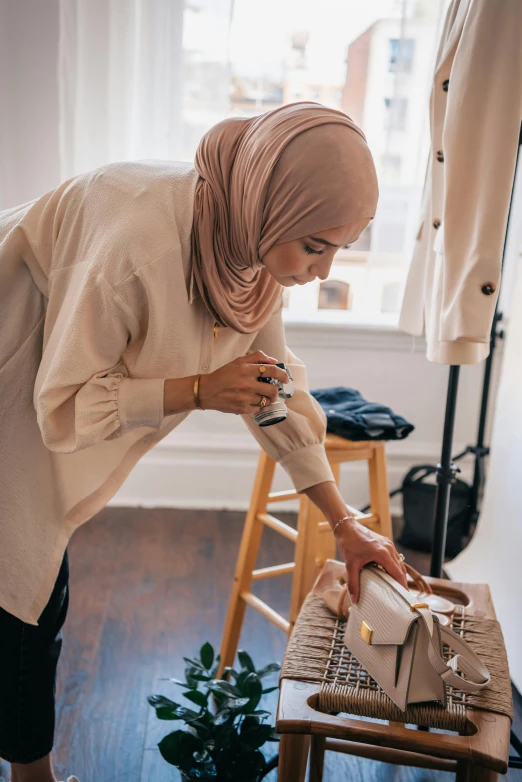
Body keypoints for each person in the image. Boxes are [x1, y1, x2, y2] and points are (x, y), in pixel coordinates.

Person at [0, 101, 408, 782]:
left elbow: (274, 396)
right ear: (272, 206)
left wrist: (348, 526)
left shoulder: (247, 253)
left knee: (33, 594)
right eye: (316, 245)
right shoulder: (134, 244)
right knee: (24, 600)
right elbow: (63, 408)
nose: (326, 269)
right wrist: (196, 388)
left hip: (41, 397)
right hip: (14, 378)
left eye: (341, 247)